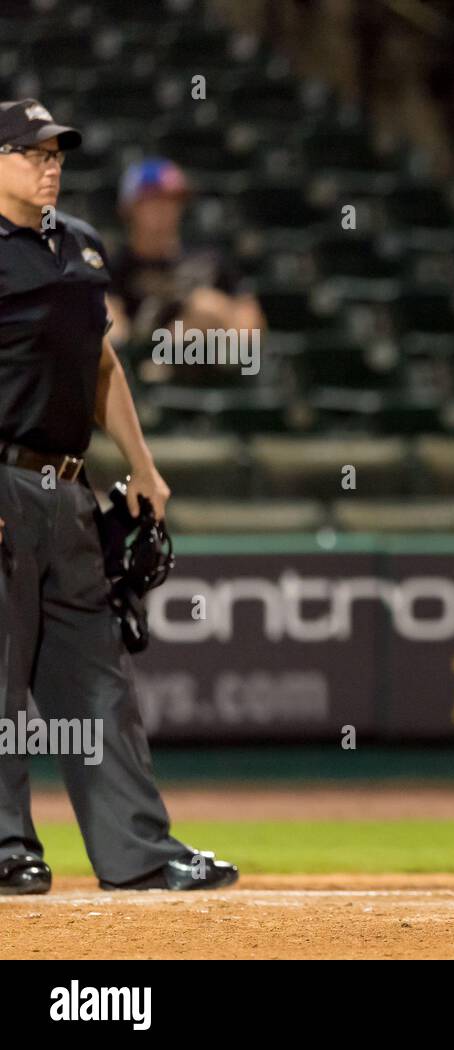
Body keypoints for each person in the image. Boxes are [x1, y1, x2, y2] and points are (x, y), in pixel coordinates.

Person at [0, 99, 237, 894]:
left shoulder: (82, 248)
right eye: (31, 151)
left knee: (95, 676)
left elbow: (101, 365)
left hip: (68, 487)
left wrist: (143, 466)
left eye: (56, 150)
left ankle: (137, 851)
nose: (50, 162)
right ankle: (6, 847)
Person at [105, 156, 263, 357]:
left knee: (206, 306)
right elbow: (114, 328)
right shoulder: (114, 266)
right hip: (141, 369)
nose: (166, 210)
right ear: (129, 208)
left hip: (209, 362)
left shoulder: (210, 260)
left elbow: (250, 320)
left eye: (174, 201)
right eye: (155, 200)